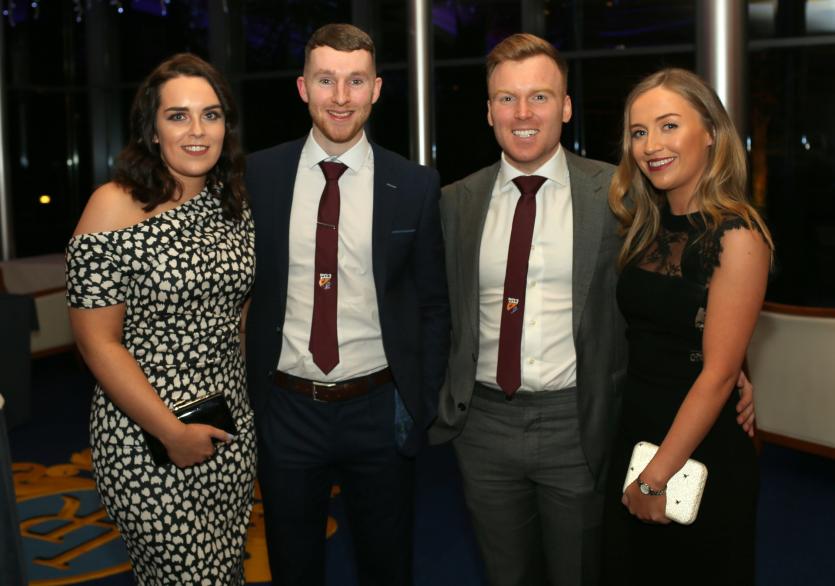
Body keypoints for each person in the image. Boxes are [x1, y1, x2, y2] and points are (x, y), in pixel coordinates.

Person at [430, 34, 755, 586]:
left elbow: (687, 283)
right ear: (489, 112)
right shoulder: (455, 201)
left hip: (579, 422)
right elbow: (429, 306)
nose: (523, 112)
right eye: (506, 98)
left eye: (540, 96)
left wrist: (732, 366)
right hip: (482, 425)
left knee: (583, 571)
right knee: (504, 573)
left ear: (565, 107)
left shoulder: (621, 191)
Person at [244, 24, 449, 586]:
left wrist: (421, 399)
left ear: (377, 88)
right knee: (293, 566)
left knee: (387, 566)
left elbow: (433, 303)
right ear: (302, 87)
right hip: (286, 409)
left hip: (380, 409)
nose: (340, 97)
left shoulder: (415, 184)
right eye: (326, 80)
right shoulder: (259, 176)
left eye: (355, 81)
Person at [66, 53, 256, 584]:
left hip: (229, 432)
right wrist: (171, 432)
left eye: (211, 115)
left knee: (222, 572)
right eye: (178, 116)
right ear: (151, 129)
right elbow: (97, 343)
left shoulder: (233, 204)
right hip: (146, 442)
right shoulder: (112, 206)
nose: (196, 131)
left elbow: (237, 322)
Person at [602, 68, 772, 585]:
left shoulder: (738, 235)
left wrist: (656, 478)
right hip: (637, 429)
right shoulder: (646, 228)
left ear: (711, 134)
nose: (651, 144)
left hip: (697, 450)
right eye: (638, 131)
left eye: (669, 125)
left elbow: (717, 375)